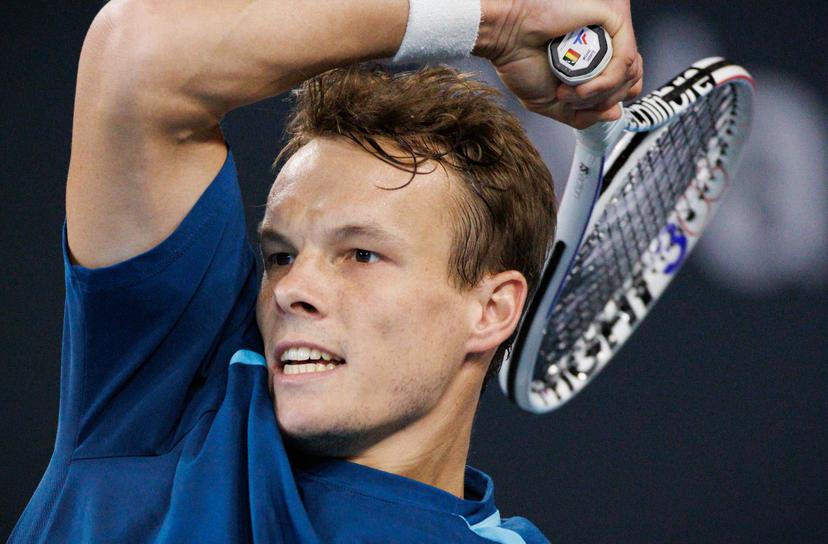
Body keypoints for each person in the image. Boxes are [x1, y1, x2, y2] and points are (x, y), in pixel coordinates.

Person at [9, 0, 642, 542]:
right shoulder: (166, 399)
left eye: (361, 255)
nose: (291, 289)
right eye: (280, 254)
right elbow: (138, 55)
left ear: (493, 309)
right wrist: (497, 20)